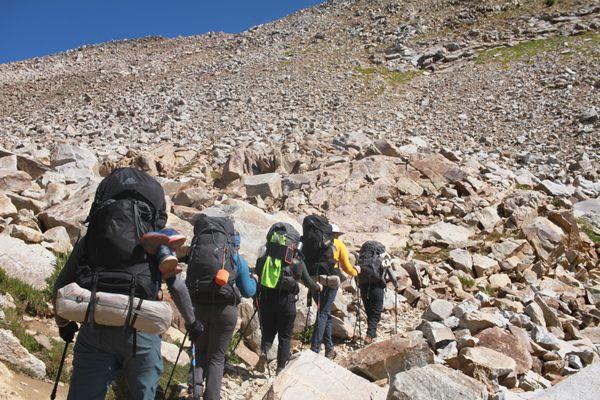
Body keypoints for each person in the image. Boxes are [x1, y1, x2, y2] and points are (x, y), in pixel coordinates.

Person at [52, 167, 202, 400]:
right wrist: (192, 324)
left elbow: (61, 284)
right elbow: (177, 285)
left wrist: (63, 324)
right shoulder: (155, 239)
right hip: (140, 330)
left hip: (95, 324)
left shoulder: (93, 236)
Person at [187, 221, 256, 400]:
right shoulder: (236, 258)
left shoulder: (200, 252)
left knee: (199, 351)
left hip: (199, 307)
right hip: (225, 311)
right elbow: (248, 291)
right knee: (216, 359)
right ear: (236, 243)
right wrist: (254, 280)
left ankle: (194, 391)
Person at [254, 223, 322, 374]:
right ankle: (280, 369)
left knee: (268, 331)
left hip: (266, 299)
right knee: (285, 336)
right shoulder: (296, 261)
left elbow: (257, 273)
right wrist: (318, 288)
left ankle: (264, 352)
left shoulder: (264, 257)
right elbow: (309, 282)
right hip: (286, 302)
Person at [356, 241, 396, 344]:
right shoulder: (383, 258)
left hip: (363, 286)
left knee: (369, 311)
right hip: (377, 286)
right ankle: (369, 335)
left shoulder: (362, 258)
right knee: (376, 313)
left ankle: (373, 333)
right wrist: (396, 285)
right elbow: (392, 276)